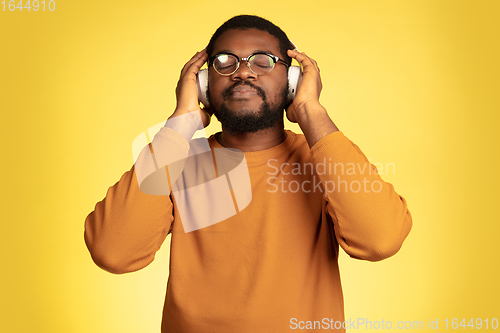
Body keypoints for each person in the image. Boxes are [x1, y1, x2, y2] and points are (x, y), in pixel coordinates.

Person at [84, 15, 412, 332]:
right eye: (224, 62)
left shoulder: (324, 161)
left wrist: (312, 111)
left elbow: (379, 240)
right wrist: (182, 122)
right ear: (201, 83)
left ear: (292, 81)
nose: (243, 73)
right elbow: (114, 253)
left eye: (263, 61)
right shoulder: (173, 162)